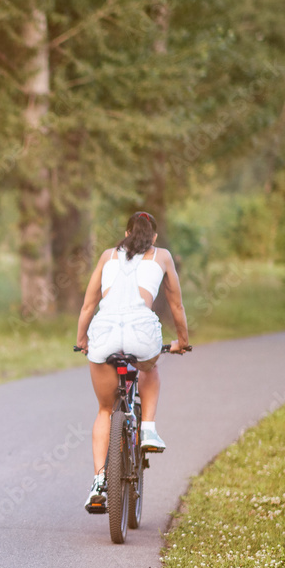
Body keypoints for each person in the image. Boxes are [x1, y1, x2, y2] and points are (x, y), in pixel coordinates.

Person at [74, 211, 189, 513]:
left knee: (104, 409)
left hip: (104, 332)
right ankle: (148, 428)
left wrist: (82, 340)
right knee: (150, 367)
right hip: (141, 332)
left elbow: (88, 305)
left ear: (126, 234)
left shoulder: (107, 256)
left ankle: (99, 481)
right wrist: (183, 341)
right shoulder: (161, 256)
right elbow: (176, 304)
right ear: (153, 237)